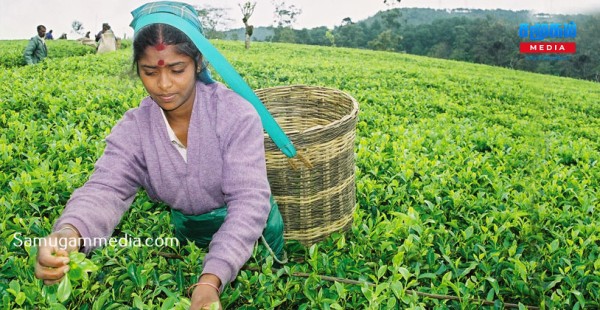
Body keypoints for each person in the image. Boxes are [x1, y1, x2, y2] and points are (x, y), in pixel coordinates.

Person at [34, 1, 285, 309]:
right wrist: (70, 233)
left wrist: (211, 278)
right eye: (150, 72)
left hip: (251, 238)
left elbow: (249, 202)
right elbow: (106, 188)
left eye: (177, 70)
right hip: (190, 236)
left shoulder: (235, 115)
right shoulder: (135, 128)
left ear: (197, 62)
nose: (164, 85)